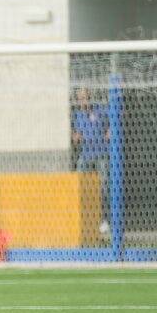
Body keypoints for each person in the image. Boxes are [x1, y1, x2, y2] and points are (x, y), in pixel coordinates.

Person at [72, 88, 111, 234]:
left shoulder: (101, 110)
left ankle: (104, 220)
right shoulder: (78, 115)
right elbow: (77, 134)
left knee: (103, 186)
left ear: (90, 97)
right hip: (86, 154)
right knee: (79, 182)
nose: (83, 101)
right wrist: (76, 137)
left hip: (101, 153)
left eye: (85, 98)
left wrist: (110, 130)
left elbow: (113, 121)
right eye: (80, 99)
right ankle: (83, 219)